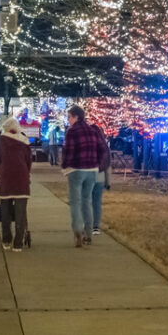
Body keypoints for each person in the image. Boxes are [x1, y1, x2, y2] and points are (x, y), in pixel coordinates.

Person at [62, 105, 107, 248]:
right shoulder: (93, 130)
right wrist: (98, 163)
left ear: (76, 117)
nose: (68, 120)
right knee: (87, 201)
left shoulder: (72, 131)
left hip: (76, 169)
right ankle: (88, 234)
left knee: (75, 202)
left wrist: (64, 165)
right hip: (92, 169)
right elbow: (102, 148)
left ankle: (77, 232)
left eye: (69, 117)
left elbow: (69, 150)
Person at [0, 115, 32, 251]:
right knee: (20, 212)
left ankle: (7, 240)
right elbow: (28, 161)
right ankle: (18, 244)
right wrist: (26, 173)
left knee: (5, 211)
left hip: (6, 179)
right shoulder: (25, 140)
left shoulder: (1, 140)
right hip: (21, 180)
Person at [91, 123, 111, 235]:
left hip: (88, 175)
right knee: (97, 202)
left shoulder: (88, 145)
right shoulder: (104, 146)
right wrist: (108, 182)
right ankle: (96, 226)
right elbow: (108, 165)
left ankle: (87, 223)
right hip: (100, 176)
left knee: (87, 200)